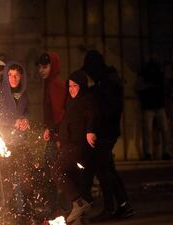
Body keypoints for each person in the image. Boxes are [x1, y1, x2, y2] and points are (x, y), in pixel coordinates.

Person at [81, 50, 135, 221]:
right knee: (108, 169)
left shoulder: (107, 83)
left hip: (106, 132)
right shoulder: (106, 81)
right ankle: (124, 205)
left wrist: (96, 121)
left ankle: (110, 209)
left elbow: (109, 110)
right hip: (107, 131)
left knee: (103, 170)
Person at [0, 62, 32, 224]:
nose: (13, 78)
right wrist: (14, 122)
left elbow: (27, 112)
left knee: (23, 179)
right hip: (4, 144)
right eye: (10, 75)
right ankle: (4, 214)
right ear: (6, 76)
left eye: (16, 75)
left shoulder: (24, 94)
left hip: (20, 143)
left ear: (21, 77)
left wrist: (26, 120)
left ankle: (22, 214)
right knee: (5, 181)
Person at [51, 70, 98, 223]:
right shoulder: (72, 102)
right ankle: (81, 217)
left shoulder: (87, 100)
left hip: (76, 146)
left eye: (75, 85)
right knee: (75, 179)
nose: (71, 89)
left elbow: (94, 115)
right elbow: (65, 122)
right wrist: (52, 130)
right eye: (69, 86)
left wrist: (91, 130)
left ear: (82, 86)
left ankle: (78, 203)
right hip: (68, 145)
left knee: (57, 170)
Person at [35, 52, 67, 218]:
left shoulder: (55, 84)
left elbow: (60, 113)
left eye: (45, 66)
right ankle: (55, 207)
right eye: (40, 67)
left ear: (53, 66)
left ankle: (60, 208)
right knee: (51, 172)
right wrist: (48, 128)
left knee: (54, 173)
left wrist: (58, 136)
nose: (41, 70)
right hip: (54, 135)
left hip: (58, 137)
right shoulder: (48, 84)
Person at [136, 55, 172, 160]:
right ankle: (159, 152)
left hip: (154, 106)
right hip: (154, 106)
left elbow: (139, 87)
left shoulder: (151, 74)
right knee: (161, 130)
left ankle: (153, 153)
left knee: (157, 130)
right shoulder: (154, 74)